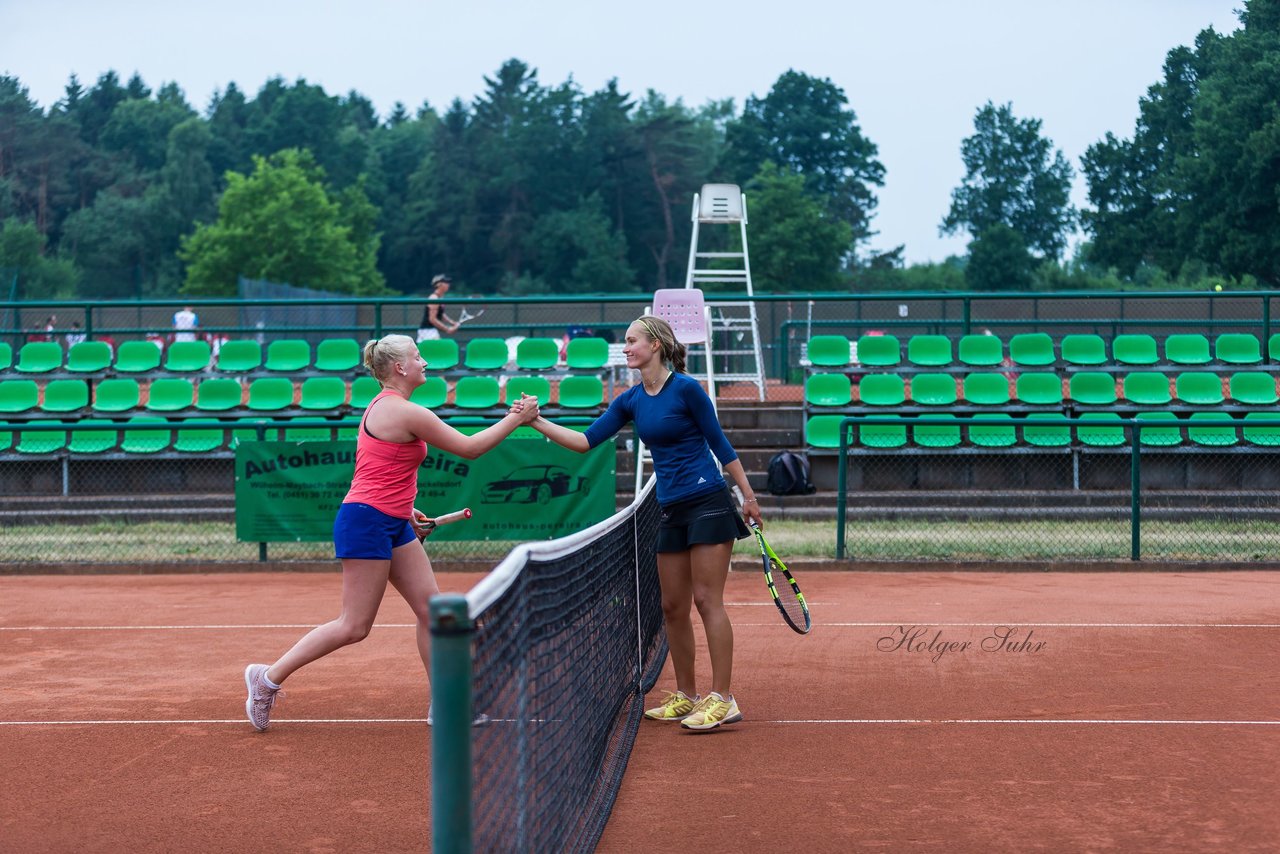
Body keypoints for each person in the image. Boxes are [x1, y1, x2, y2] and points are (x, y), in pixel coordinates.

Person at [243, 333, 541, 731]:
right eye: (418, 357)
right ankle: (266, 679)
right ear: (400, 367)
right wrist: (517, 419)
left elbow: (379, 467)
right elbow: (469, 448)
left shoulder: (391, 408)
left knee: (431, 612)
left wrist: (404, 508)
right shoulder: (402, 411)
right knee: (354, 626)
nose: (425, 363)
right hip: (366, 522)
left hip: (392, 520)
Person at [516, 314, 762, 732]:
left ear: (656, 345)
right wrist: (535, 421)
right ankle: (686, 695)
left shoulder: (687, 390)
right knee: (671, 607)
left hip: (708, 502)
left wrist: (749, 496)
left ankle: (723, 697)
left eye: (631, 341)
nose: (626, 348)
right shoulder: (630, 400)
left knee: (707, 600)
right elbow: (584, 442)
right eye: (625, 342)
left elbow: (720, 443)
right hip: (671, 509)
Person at [416, 274, 459, 341]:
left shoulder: (440, 298)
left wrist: (452, 322)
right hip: (427, 331)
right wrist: (447, 329)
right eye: (445, 282)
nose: (448, 284)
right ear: (438, 284)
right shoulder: (434, 298)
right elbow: (432, 319)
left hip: (431, 331)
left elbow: (441, 313)